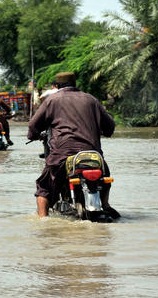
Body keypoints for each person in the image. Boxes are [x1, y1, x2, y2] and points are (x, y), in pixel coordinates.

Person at [27, 71, 117, 218]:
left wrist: (34, 135)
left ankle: (42, 221)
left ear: (56, 86)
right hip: (93, 155)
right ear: (75, 84)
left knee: (43, 188)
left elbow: (33, 125)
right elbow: (110, 127)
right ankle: (105, 205)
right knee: (104, 176)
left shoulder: (52, 100)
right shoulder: (91, 99)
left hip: (63, 155)